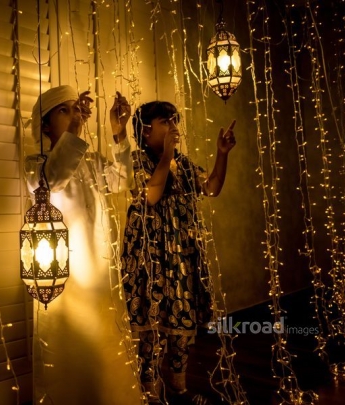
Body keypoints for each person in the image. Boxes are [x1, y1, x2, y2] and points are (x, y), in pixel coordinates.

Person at [25, 85, 144, 404]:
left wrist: (119, 133)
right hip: (66, 277)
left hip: (100, 271)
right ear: (45, 125)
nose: (73, 114)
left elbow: (121, 181)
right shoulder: (36, 163)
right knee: (70, 350)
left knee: (107, 343)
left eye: (74, 109)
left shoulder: (90, 160)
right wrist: (76, 131)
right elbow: (51, 183)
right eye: (63, 111)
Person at [120, 101, 236, 404]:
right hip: (150, 255)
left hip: (182, 254)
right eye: (165, 121)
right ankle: (150, 391)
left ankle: (178, 387)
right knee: (152, 324)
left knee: (181, 319)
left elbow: (211, 188)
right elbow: (150, 196)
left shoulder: (182, 163)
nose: (174, 127)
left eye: (175, 120)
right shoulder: (136, 160)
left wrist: (222, 154)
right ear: (146, 131)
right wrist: (167, 155)